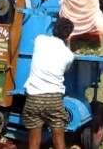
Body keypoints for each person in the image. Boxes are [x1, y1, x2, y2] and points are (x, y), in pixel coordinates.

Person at [22, 17, 74, 149]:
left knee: (33, 143)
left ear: (53, 28)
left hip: (33, 98)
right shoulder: (69, 55)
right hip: (54, 100)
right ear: (68, 35)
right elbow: (65, 69)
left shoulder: (40, 40)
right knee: (59, 140)